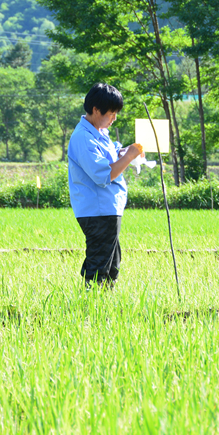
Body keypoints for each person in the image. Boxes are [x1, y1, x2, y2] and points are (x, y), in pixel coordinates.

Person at [67, 83, 143, 287]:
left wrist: (123, 153)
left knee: (111, 263)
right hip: (97, 210)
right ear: (95, 110)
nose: (114, 118)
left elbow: (111, 156)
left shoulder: (99, 133)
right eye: (111, 113)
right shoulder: (84, 138)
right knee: (99, 264)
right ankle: (89, 307)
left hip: (107, 208)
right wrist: (129, 157)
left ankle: (104, 305)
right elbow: (104, 174)